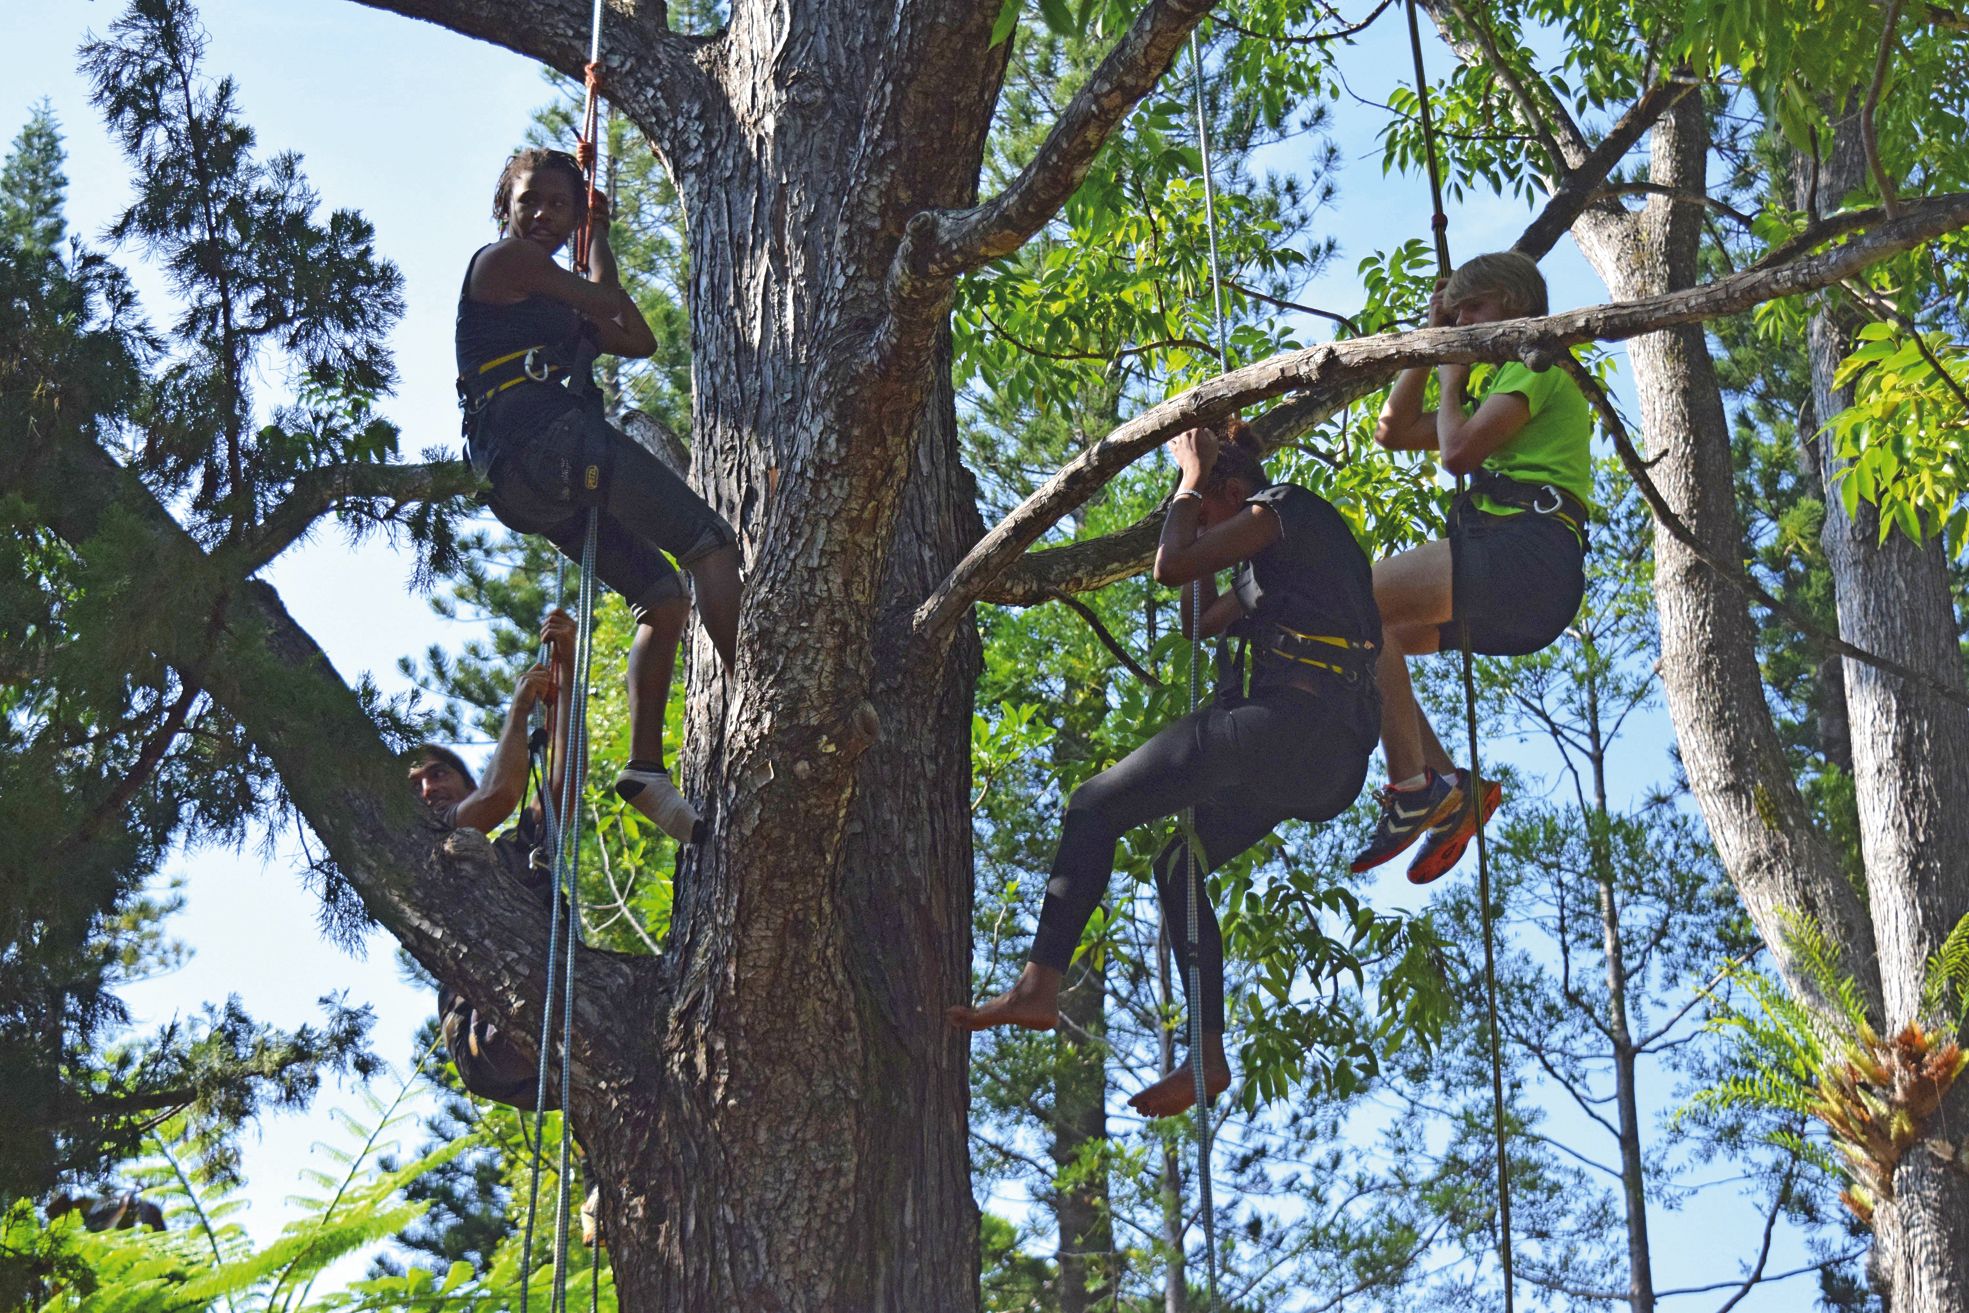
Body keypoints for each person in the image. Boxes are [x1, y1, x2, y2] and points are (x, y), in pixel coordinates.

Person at [949, 422, 1382, 1116]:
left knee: (1094, 804)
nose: (1194, 526)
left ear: (1235, 495)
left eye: (1206, 514)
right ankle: (1206, 1055)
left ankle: (1038, 983)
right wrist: (1200, 504)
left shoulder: (1285, 507)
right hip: (1319, 760)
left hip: (1287, 726)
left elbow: (1169, 566)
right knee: (1177, 863)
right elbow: (1192, 617)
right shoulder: (1272, 567)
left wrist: (1189, 478)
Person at [455, 146, 742, 845]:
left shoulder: (549, 299)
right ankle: (763, 688)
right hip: (544, 441)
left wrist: (594, 246)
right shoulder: (505, 262)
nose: (542, 215)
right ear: (506, 207)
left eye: (559, 204)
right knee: (707, 542)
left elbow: (635, 338)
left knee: (663, 596)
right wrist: (594, 241)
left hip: (530, 478)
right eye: (530, 201)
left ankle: (645, 771)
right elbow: (610, 301)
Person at [1351, 251, 1591, 885]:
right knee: (1379, 639)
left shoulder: (1540, 362)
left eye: (1473, 309)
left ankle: (1412, 787)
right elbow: (1392, 431)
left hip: (1528, 555)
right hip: (1525, 588)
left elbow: (1456, 453)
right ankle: (1449, 787)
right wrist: (1430, 346)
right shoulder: (1495, 387)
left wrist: (1452, 377)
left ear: (1512, 304)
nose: (1464, 321)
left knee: (1352, 603)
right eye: (1456, 312)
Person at [410, 610, 574, 1109]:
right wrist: (520, 709)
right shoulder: (421, 842)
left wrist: (565, 674)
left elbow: (559, 788)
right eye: (415, 785)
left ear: (462, 784)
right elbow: (500, 794)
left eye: (437, 775)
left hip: (542, 1021)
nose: (427, 789)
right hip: (487, 1029)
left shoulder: (513, 853)